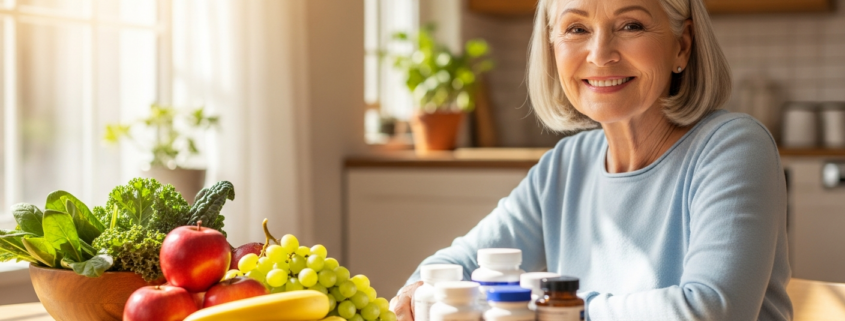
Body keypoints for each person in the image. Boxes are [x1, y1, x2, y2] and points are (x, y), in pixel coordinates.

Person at [389, 0, 792, 320]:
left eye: (630, 25)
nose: (600, 54)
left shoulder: (733, 147)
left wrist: (554, 309)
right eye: (576, 28)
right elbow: (458, 263)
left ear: (681, 45)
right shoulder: (567, 164)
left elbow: (708, 312)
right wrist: (420, 290)